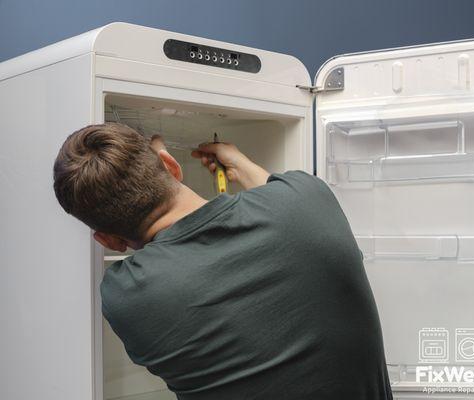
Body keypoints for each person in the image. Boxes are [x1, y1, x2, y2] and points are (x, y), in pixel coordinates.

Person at [53, 123, 392, 400]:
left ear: (108, 240)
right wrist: (237, 161)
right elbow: (280, 192)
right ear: (172, 166)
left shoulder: (125, 297)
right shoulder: (309, 198)